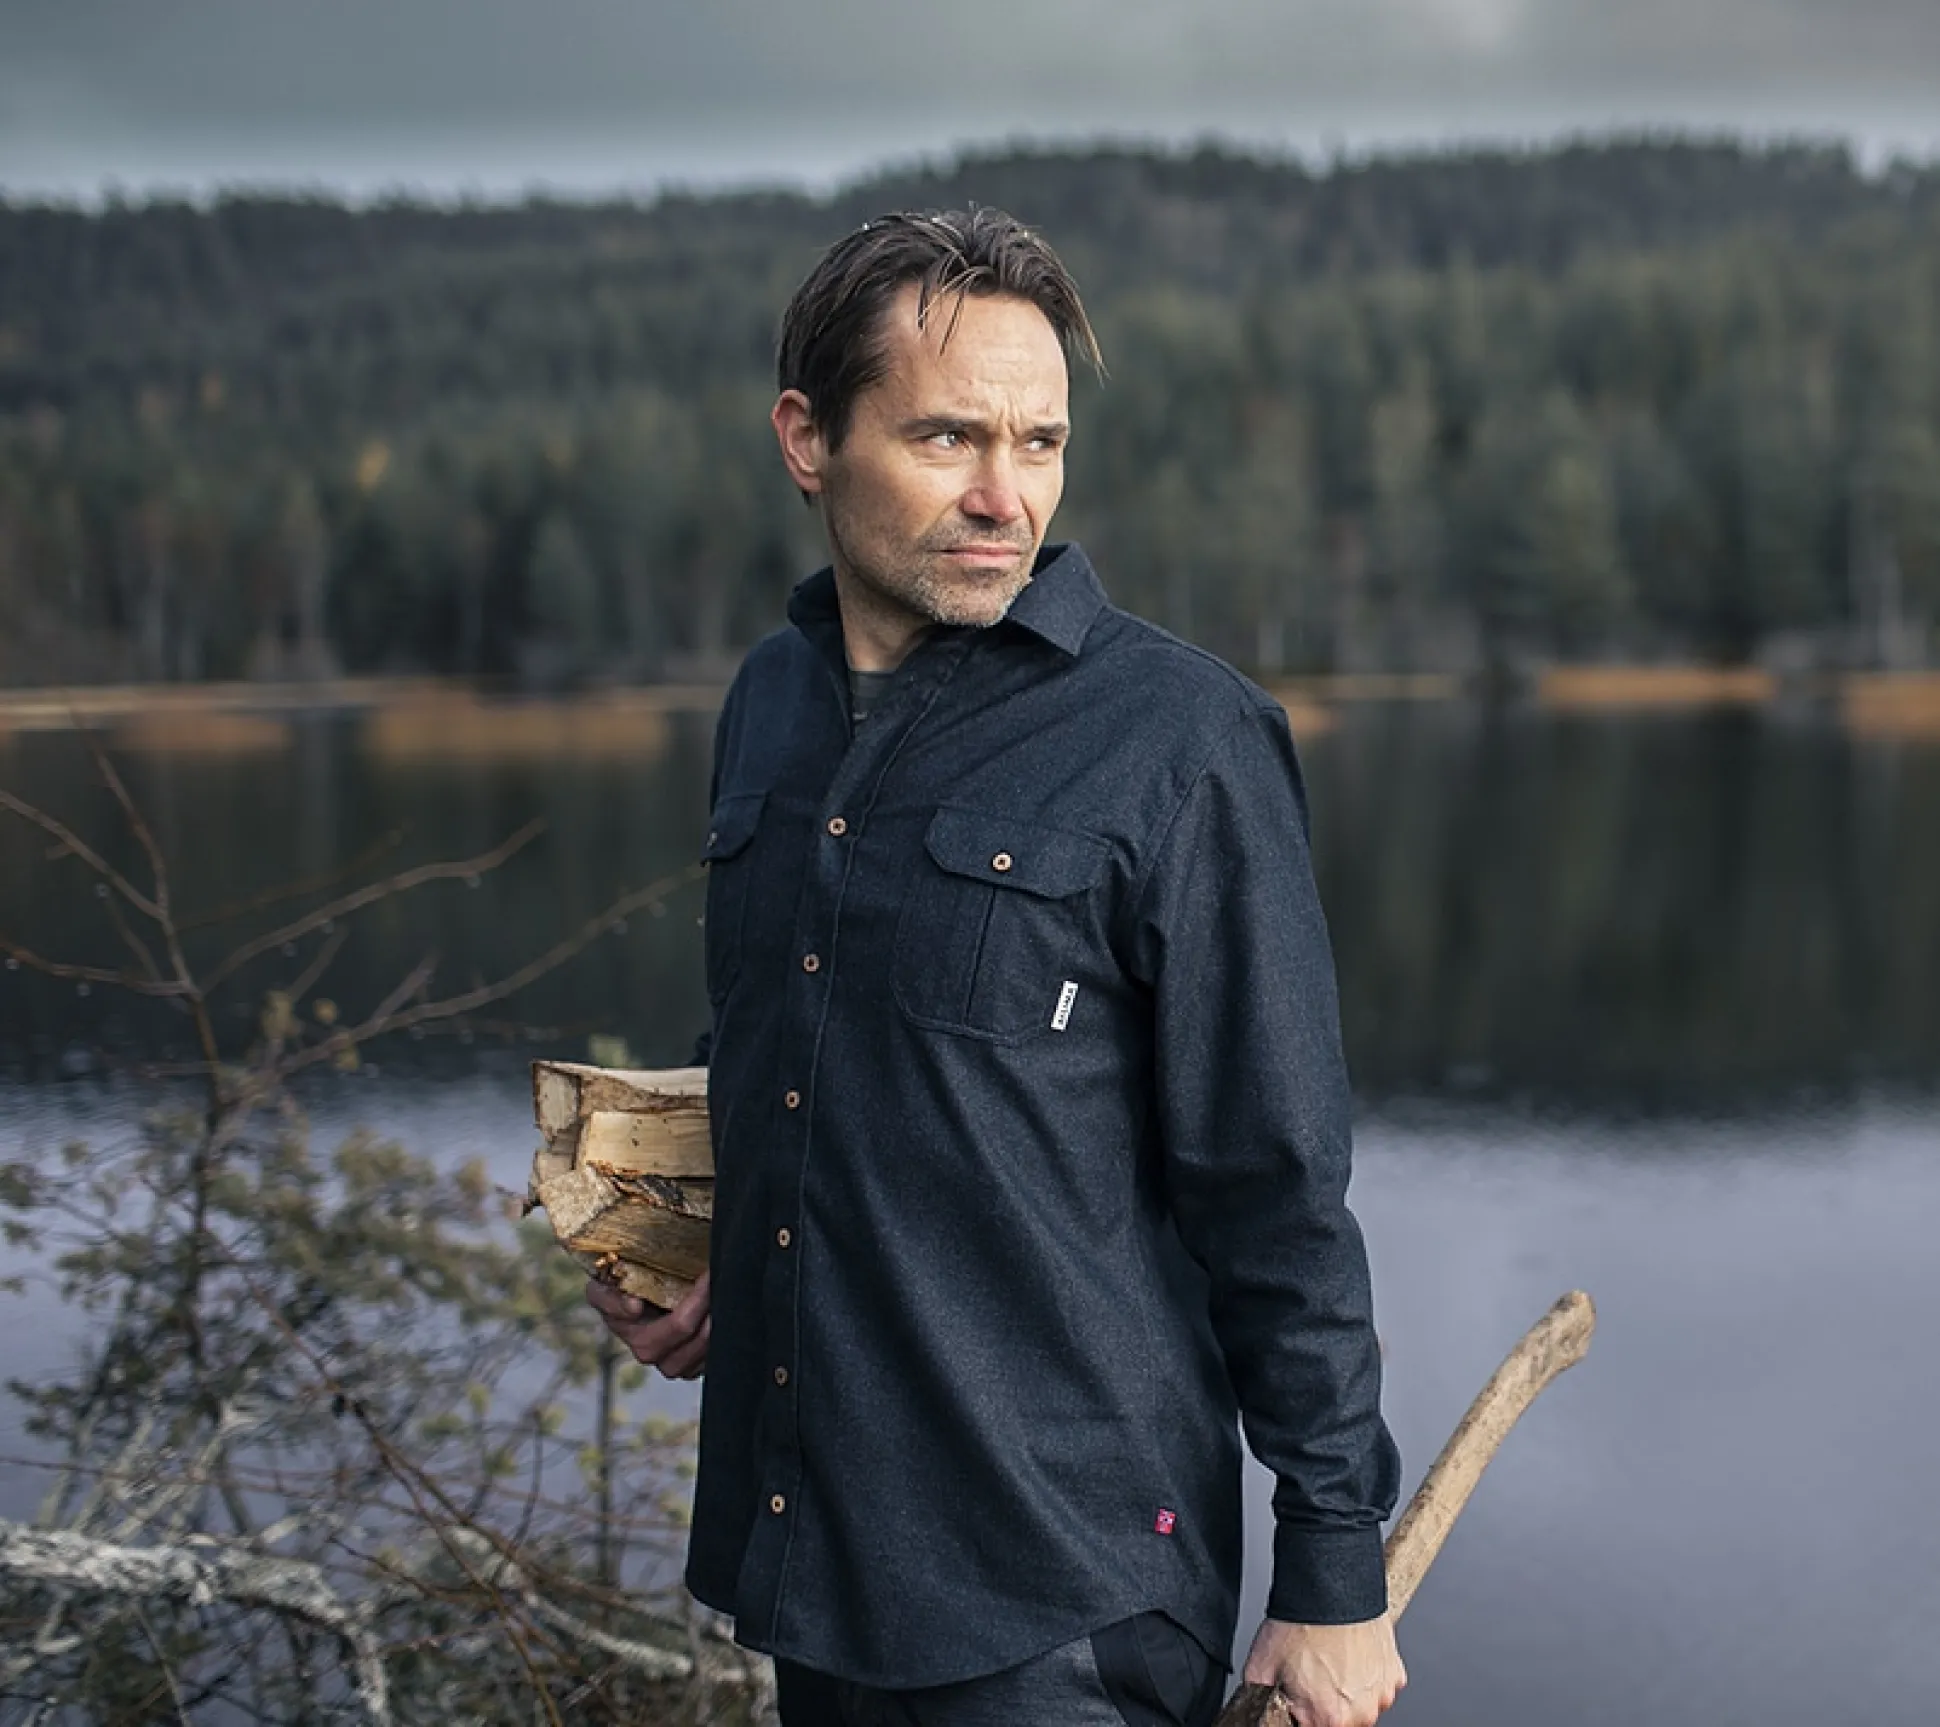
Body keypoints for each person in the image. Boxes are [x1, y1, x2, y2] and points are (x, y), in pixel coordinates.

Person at [588, 207, 1406, 1727]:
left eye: (1039, 443)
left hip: (1057, 1608)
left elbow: (1276, 1188)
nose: (1002, 495)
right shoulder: (769, 703)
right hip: (812, 1564)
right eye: (948, 437)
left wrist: (1332, 1570)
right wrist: (693, 1256)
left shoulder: (1182, 740)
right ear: (807, 439)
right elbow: (778, 1036)